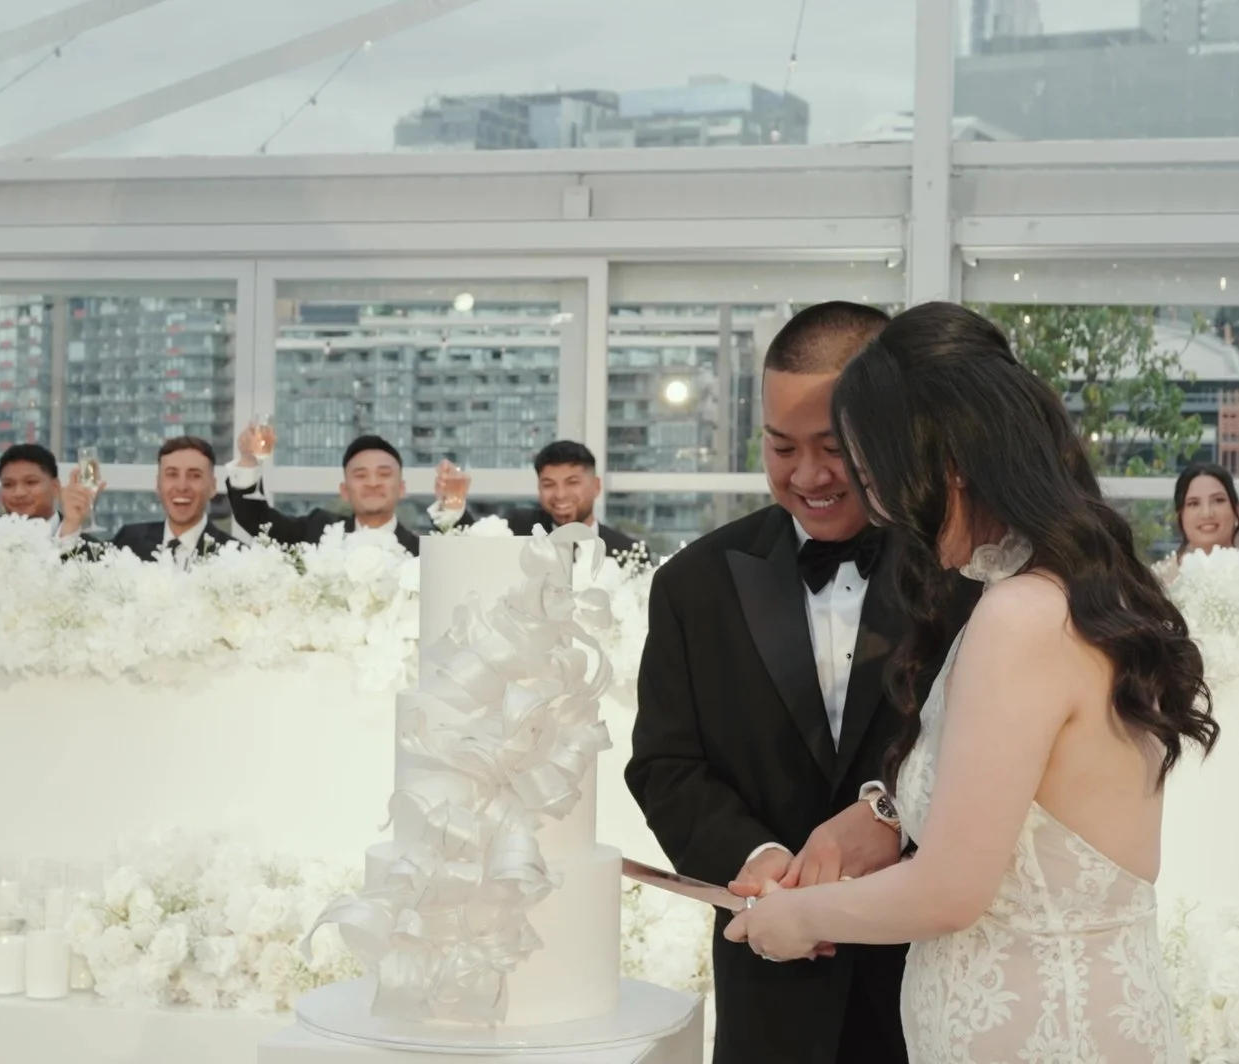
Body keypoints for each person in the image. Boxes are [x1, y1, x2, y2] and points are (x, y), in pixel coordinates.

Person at [720, 302, 1216, 1063]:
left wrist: (800, 918)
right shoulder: (1067, 592)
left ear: (946, 464)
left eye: (874, 473)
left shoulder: (1020, 615)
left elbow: (950, 890)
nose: (879, 507)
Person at [627, 301, 977, 1064]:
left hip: (935, 983)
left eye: (833, 449)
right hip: (772, 994)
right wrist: (755, 859)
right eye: (781, 447)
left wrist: (895, 819)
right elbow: (666, 765)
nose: (807, 476)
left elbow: (999, 763)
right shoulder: (695, 584)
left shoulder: (969, 575)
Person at [225, 432, 464, 556]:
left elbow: (464, 559)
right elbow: (255, 519)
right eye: (360, 475)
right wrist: (248, 461)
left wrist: (452, 504)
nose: (372, 483)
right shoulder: (317, 531)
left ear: (401, 488)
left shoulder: (422, 553)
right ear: (344, 491)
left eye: (383, 474)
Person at [433, 439, 641, 556]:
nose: (560, 495)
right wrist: (452, 503)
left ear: (596, 486)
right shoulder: (517, 529)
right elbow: (470, 549)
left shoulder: (627, 552)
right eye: (549, 484)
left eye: (572, 482)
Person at [102, 436, 235, 564]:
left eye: (194, 476)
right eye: (172, 474)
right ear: (158, 484)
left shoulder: (234, 556)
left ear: (212, 487)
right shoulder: (129, 540)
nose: (182, 487)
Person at [1161, 461, 1239, 579]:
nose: (1207, 514)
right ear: (1180, 516)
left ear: (1236, 510)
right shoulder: (1162, 579)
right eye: (1194, 503)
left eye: (1218, 500)